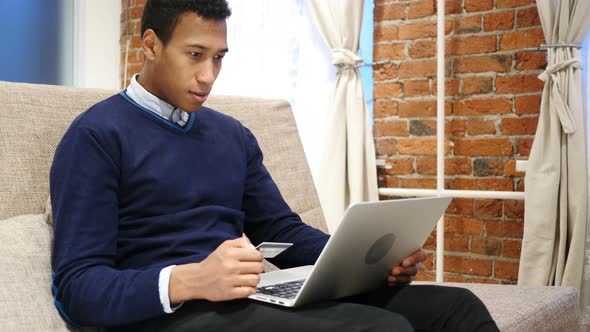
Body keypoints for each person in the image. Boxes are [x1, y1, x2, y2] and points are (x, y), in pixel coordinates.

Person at [49, 0, 500, 331]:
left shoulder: (232, 135)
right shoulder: (95, 136)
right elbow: (77, 287)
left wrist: (369, 260)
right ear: (150, 45)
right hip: (168, 318)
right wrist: (191, 280)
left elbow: (281, 231)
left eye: (219, 57)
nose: (209, 75)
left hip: (245, 302)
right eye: (195, 54)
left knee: (458, 310)